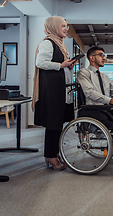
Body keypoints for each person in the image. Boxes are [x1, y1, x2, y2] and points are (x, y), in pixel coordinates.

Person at [32, 16, 77, 171]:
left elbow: (59, 66)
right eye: (63, 26)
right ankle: (50, 156)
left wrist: (67, 66)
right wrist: (61, 64)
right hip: (52, 91)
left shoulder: (60, 44)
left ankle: (53, 153)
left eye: (66, 26)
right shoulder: (48, 43)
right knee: (53, 124)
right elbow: (40, 63)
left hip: (59, 90)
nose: (65, 28)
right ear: (54, 27)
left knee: (58, 123)